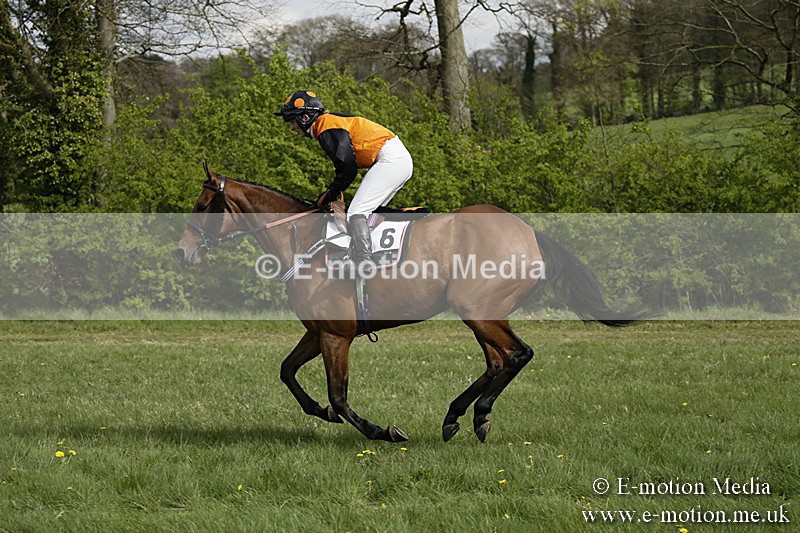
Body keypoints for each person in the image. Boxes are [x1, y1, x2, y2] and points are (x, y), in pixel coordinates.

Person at [274, 90, 413, 273]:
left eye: (292, 121)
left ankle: (364, 262)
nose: (291, 128)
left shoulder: (325, 126)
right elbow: (346, 169)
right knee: (371, 214)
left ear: (305, 117)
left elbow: (347, 169)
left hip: (391, 159)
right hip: (396, 158)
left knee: (356, 212)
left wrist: (330, 193)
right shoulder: (327, 123)